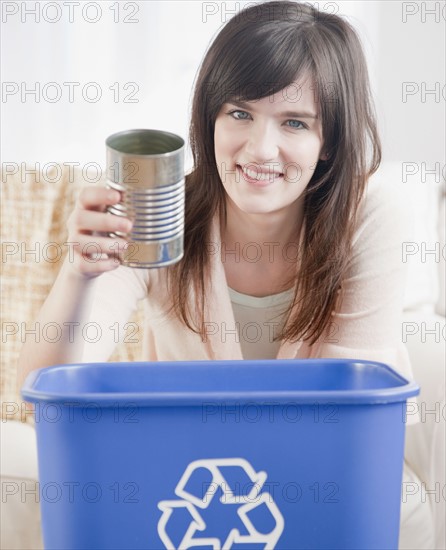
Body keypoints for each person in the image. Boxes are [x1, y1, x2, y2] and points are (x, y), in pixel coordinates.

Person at [17, 1, 434, 547]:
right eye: (239, 113)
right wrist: (81, 272)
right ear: (208, 117)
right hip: (186, 483)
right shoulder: (163, 212)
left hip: (330, 488)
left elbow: (337, 422)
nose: (260, 150)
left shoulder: (371, 212)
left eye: (294, 122)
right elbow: (44, 394)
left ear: (328, 139)